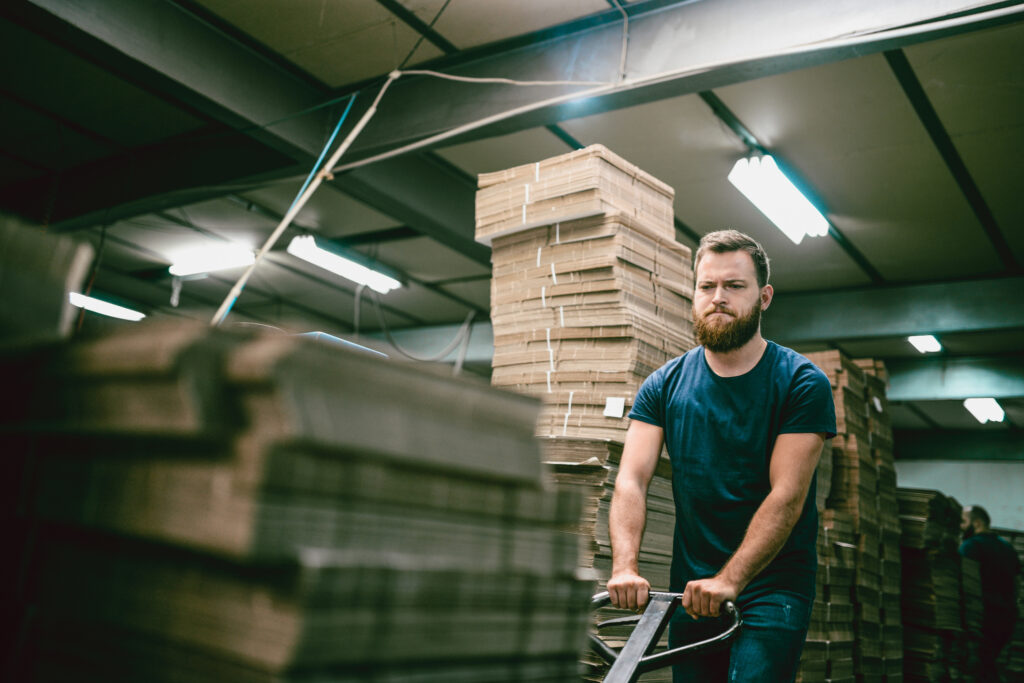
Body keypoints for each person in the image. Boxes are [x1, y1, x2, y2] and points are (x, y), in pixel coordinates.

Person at [606, 229, 837, 682]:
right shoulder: (663, 386)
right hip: (692, 588)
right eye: (707, 286)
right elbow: (631, 479)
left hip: (773, 586)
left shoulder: (801, 383)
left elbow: (787, 495)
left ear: (764, 297)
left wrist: (731, 579)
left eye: (734, 286)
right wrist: (625, 566)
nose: (718, 297)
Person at [960, 505, 1021, 682]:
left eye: (963, 522)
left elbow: (966, 586)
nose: (960, 527)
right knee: (990, 665)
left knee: (977, 670)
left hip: (981, 620)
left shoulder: (970, 546)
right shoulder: (1007, 548)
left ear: (977, 523)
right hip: (1006, 620)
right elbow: (1017, 585)